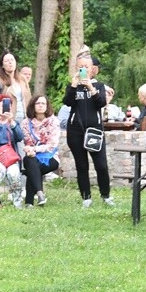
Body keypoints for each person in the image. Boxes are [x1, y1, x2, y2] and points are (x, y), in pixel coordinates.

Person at [63, 55, 112, 207]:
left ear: (92, 69)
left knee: (101, 165)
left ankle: (106, 195)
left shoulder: (99, 86)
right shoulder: (73, 86)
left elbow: (101, 102)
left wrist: (90, 87)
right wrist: (73, 85)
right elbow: (67, 102)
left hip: (94, 130)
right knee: (81, 165)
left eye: (86, 66)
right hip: (75, 130)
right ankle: (86, 197)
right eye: (80, 66)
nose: (83, 69)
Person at [22, 95, 60, 207]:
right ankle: (38, 196)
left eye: (43, 103)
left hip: (50, 157)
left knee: (31, 167)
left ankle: (31, 200)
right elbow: (27, 141)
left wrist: (35, 149)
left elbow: (52, 145)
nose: (41, 106)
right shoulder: (26, 122)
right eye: (38, 103)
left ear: (47, 106)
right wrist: (29, 149)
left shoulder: (53, 121)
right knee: (30, 162)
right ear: (33, 106)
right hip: (33, 156)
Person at [0, 51, 32, 124]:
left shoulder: (22, 79)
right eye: (7, 61)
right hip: (8, 120)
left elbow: (29, 99)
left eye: (12, 60)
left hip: (25, 118)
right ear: (2, 65)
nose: (10, 62)